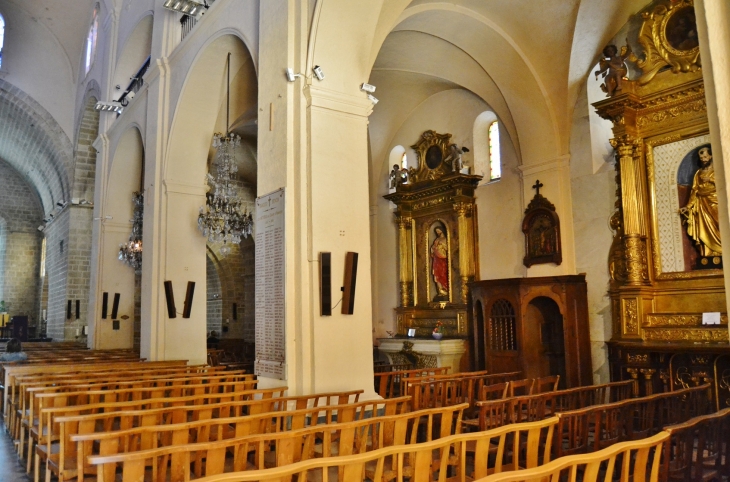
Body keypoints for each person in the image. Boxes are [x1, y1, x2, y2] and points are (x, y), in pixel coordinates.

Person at [680, 146, 722, 257]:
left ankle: (723, 249)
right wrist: (688, 206)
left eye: (705, 156)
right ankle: (710, 253)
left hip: (716, 202)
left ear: (711, 156)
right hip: (702, 204)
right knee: (705, 229)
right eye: (701, 157)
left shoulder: (718, 170)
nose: (703, 159)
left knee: (720, 225)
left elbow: (725, 184)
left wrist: (711, 179)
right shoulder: (698, 173)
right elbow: (695, 191)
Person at [430, 226, 449, 299]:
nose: (438, 232)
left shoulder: (445, 239)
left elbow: (447, 248)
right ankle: (440, 290)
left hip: (443, 259)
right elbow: (432, 248)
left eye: (439, 231)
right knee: (436, 274)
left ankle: (446, 289)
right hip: (436, 259)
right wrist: (433, 249)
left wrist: (441, 246)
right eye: (437, 231)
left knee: (443, 273)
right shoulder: (437, 239)